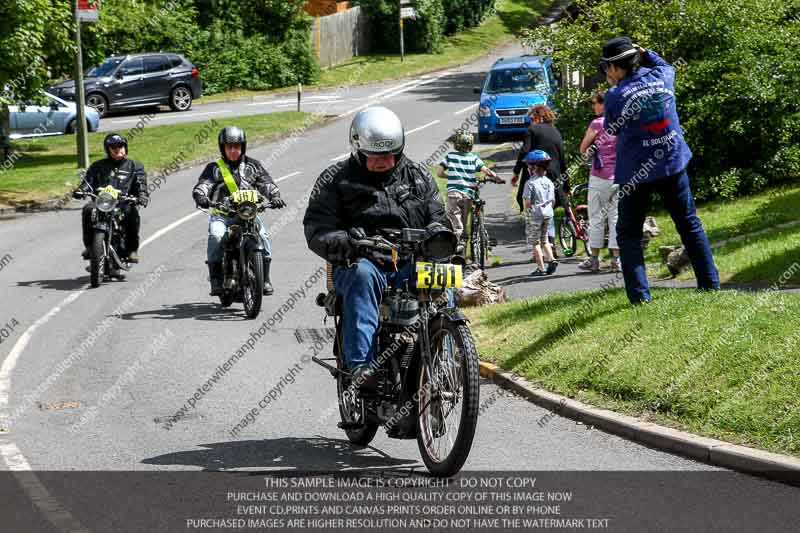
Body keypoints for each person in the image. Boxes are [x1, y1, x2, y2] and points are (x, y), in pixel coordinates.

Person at [303, 106, 447, 390]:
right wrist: (344, 241)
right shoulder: (335, 179)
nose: (384, 162)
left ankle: (449, 353)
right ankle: (362, 366)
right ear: (358, 150)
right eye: (375, 157)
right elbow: (318, 226)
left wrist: (438, 234)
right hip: (361, 260)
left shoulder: (418, 175)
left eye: (389, 155)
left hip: (410, 260)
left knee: (445, 276)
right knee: (363, 276)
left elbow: (437, 216)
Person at [601, 37, 719, 304]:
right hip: (672, 162)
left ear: (616, 67)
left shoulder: (615, 95)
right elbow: (664, 63)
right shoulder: (662, 75)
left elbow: (611, 129)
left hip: (636, 172)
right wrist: (646, 52)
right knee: (689, 223)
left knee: (629, 233)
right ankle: (710, 285)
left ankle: (641, 299)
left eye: (606, 67)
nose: (606, 73)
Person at [192, 126, 287, 297]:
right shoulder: (214, 168)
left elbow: (266, 183)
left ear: (243, 147)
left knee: (264, 236)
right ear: (223, 148)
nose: (234, 150)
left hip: (248, 215)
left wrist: (275, 196)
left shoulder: (253, 166)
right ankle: (215, 279)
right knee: (216, 236)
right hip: (223, 216)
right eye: (229, 147)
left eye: (237, 146)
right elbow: (203, 185)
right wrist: (201, 196)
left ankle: (264, 279)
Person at [74, 132, 148, 270]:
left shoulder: (134, 166)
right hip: (101, 202)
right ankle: (90, 247)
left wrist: (142, 195)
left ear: (125, 147)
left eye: (120, 145)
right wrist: (81, 190)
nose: (117, 149)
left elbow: (141, 183)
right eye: (113, 146)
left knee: (131, 213)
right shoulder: (98, 166)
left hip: (123, 202)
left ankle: (132, 250)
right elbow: (88, 182)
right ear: (107, 149)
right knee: (88, 209)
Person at [437, 130, 504, 255]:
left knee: (454, 220)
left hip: (453, 194)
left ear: (456, 144)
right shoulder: (474, 158)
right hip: (468, 194)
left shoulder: (450, 156)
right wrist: (497, 178)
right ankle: (464, 240)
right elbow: (486, 171)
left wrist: (450, 177)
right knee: (464, 218)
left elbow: (439, 173)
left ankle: (456, 248)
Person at [512, 104, 567, 249]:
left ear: (537, 116)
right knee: (549, 209)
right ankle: (551, 244)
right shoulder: (556, 131)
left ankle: (540, 246)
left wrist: (516, 172)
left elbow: (524, 151)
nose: (530, 121)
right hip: (554, 177)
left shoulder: (532, 129)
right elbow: (562, 158)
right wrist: (566, 185)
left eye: (531, 117)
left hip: (537, 175)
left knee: (534, 210)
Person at [578, 90, 620, 273]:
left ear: (604, 104)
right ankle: (616, 260)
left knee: (596, 218)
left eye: (595, 103)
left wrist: (593, 152)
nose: (594, 107)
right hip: (619, 176)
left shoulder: (597, 124)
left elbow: (583, 148)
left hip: (599, 176)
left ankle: (594, 259)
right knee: (615, 218)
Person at [522, 150, 557, 276]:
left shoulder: (530, 183)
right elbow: (553, 200)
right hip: (548, 213)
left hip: (535, 215)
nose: (527, 168)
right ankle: (552, 259)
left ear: (534, 167)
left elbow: (527, 202)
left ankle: (541, 268)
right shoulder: (549, 182)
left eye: (528, 166)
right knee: (545, 239)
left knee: (535, 242)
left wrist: (528, 213)